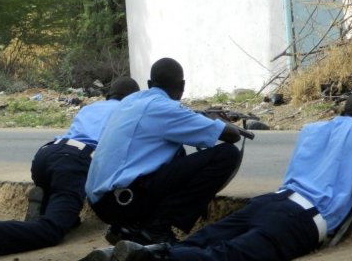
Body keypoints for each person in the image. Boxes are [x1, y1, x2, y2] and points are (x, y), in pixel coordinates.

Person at [70, 91, 352, 261]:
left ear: (344, 110)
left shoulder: (312, 129)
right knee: (228, 256)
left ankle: (129, 255)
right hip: (301, 219)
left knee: (204, 239)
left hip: (271, 201)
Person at [0, 77, 141, 261]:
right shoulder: (130, 111)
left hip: (47, 155)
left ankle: (46, 199)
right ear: (134, 98)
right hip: (74, 164)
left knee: (66, 211)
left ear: (108, 95)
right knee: (52, 230)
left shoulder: (91, 107)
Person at [84, 57, 247, 247]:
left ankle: (134, 226)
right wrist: (219, 122)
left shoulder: (130, 101)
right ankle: (156, 229)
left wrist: (198, 118)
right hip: (122, 201)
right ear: (182, 86)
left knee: (175, 152)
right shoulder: (166, 109)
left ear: (149, 84)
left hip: (103, 202)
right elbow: (232, 136)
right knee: (227, 155)